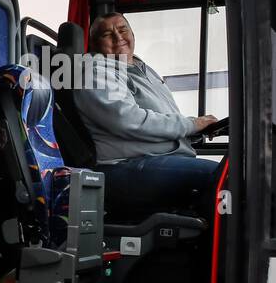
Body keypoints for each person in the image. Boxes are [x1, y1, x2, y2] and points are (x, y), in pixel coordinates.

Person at [75, 11, 224, 219]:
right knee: (224, 179)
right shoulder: (96, 73)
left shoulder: (142, 69)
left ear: (132, 34)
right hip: (125, 164)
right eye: (107, 34)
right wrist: (191, 124)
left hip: (159, 157)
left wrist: (196, 131)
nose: (118, 37)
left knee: (232, 175)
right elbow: (128, 120)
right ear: (93, 45)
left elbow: (161, 118)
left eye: (123, 29)